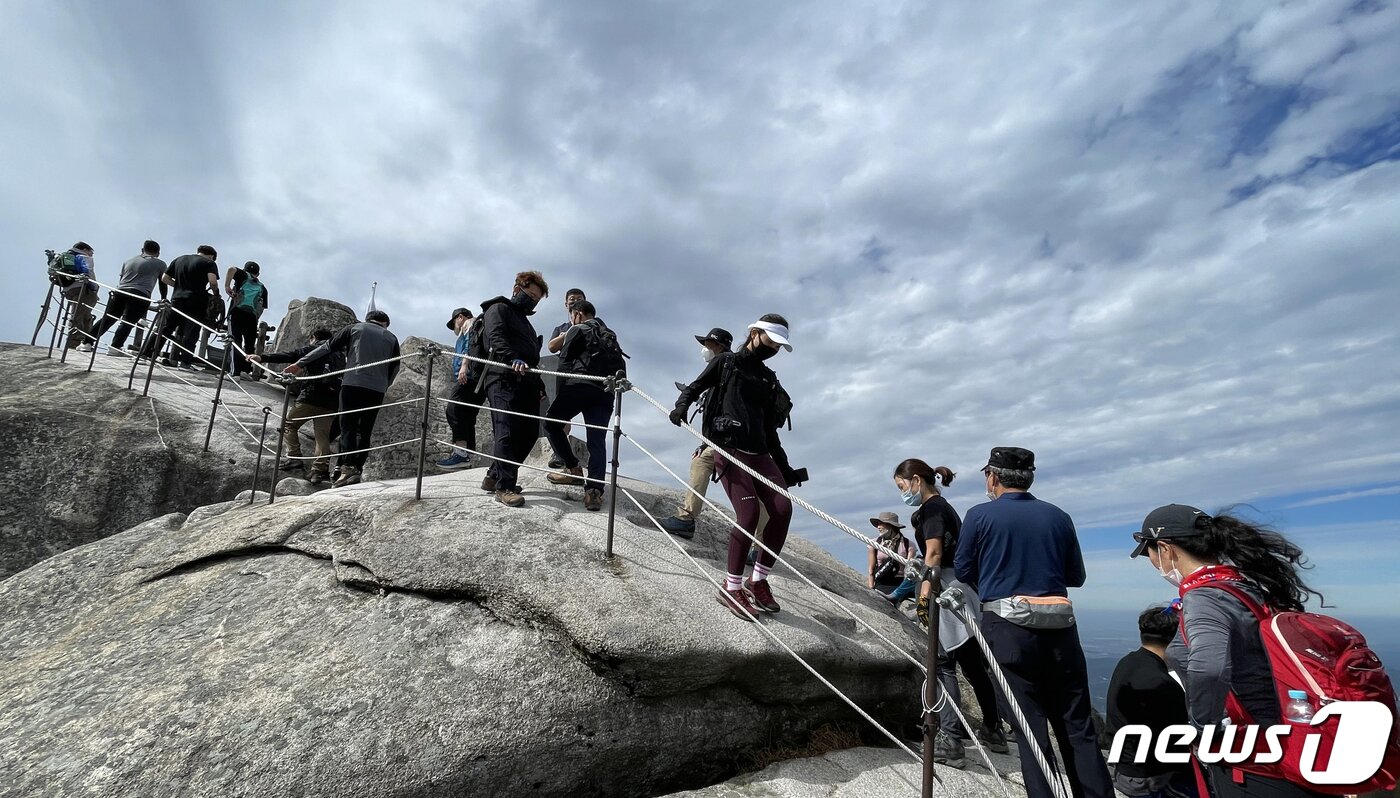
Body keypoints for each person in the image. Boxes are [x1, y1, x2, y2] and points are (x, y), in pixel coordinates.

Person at [1131, 505, 1330, 798]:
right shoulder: (1245, 585)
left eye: (1150, 552)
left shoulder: (1204, 596)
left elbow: (1209, 668)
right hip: (1288, 737)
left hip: (1250, 754)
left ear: (1165, 548)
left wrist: (1201, 730)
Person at [955, 447, 1112, 798]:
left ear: (992, 476)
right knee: (1077, 726)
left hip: (1007, 630)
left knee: (1030, 730)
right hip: (1061, 631)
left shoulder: (979, 516)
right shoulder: (1059, 516)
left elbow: (964, 570)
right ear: (1030, 478)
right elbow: (1077, 576)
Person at [671, 314, 804, 621]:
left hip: (760, 452)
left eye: (779, 346)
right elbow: (694, 387)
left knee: (782, 510)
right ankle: (731, 587)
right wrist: (681, 407)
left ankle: (757, 580)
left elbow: (770, 430)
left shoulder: (768, 379)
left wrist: (784, 468)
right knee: (749, 514)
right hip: (727, 447)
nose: (773, 349)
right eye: (770, 341)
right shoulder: (726, 363)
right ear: (754, 333)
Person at [896, 458, 1008, 767]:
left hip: (945, 588)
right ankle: (993, 730)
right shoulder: (943, 507)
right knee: (972, 664)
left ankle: (950, 740)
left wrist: (923, 595)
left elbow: (934, 552)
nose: (903, 493)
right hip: (964, 589)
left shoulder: (931, 510)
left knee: (942, 663)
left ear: (917, 480)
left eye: (903, 486)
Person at [284, 310, 400, 488]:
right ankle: (356, 469)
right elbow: (395, 367)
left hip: (352, 383)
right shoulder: (392, 338)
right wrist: (384, 385)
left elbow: (325, 347)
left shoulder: (354, 328)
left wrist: (300, 364)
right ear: (385, 323)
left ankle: (345, 468)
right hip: (376, 389)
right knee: (365, 429)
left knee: (348, 426)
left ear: (367, 319)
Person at [659, 327, 743, 539]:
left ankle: (686, 520)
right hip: (728, 440)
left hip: (729, 441)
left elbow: (695, 386)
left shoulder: (723, 360)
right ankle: (758, 542)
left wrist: (681, 407)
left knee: (740, 486)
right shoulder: (732, 368)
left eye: (706, 345)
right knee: (704, 463)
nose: (704, 350)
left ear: (717, 345)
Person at [1106, 603, 1197, 798]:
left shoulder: (1128, 662)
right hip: (1146, 779)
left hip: (1123, 768)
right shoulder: (1163, 684)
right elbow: (1178, 742)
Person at [478, 271, 549, 508]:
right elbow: (495, 337)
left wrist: (539, 384)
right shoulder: (498, 308)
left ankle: (494, 474)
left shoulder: (526, 324)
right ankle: (505, 487)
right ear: (517, 288)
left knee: (529, 432)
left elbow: (534, 359)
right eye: (530, 295)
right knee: (506, 429)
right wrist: (512, 358)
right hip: (502, 377)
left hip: (527, 381)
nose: (532, 301)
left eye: (536, 299)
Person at [542, 300, 620, 512]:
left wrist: (559, 398)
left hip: (579, 386)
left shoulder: (576, 329)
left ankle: (573, 469)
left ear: (577, 315)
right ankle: (594, 491)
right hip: (605, 392)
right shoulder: (609, 334)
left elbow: (564, 364)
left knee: (551, 424)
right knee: (597, 441)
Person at [250, 327, 342, 485]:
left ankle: (294, 457)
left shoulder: (314, 349)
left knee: (288, 425)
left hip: (309, 398)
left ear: (313, 337)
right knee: (322, 436)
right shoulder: (340, 355)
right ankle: (318, 471)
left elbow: (290, 355)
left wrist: (262, 357)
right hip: (331, 402)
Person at [142, 245, 219, 371]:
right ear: (211, 256)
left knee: (165, 328)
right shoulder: (209, 263)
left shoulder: (179, 259)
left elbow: (165, 279)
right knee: (191, 332)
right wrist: (216, 293)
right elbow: (213, 282)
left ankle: (146, 354)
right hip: (197, 301)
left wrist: (178, 286)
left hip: (177, 298)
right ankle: (185, 363)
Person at [92, 240, 166, 354]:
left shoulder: (128, 261)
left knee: (108, 318)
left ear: (142, 250)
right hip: (140, 294)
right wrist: (164, 298)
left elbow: (121, 279)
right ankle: (115, 347)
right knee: (127, 322)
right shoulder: (160, 263)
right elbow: (162, 283)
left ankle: (86, 342)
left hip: (120, 291)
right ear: (158, 253)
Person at [437, 307, 480, 471]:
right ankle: (464, 454)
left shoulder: (470, 323)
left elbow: (470, 345)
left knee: (454, 409)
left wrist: (464, 366)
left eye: (454, 322)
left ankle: (461, 454)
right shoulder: (471, 326)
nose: (454, 327)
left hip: (468, 376)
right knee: (467, 414)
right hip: (473, 376)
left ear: (460, 317)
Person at [226, 261, 269, 379]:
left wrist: (227, 286)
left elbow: (231, 268)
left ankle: (234, 373)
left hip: (236, 313)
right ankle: (245, 371)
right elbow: (263, 307)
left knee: (234, 342)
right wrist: (255, 317)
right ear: (258, 274)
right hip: (251, 317)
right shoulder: (262, 287)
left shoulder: (243, 276)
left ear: (245, 270)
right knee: (249, 345)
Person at [58, 242, 99, 352]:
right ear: (85, 249)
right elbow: (88, 272)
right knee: (81, 315)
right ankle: (77, 342)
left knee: (79, 314)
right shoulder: (83, 257)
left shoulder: (67, 257)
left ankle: (81, 340)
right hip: (83, 288)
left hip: (69, 289)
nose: (91, 255)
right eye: (91, 252)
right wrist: (94, 288)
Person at [866, 511, 917, 599]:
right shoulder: (874, 543)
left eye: (881, 524)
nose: (878, 527)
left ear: (891, 526)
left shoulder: (908, 544)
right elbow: (871, 569)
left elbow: (909, 570)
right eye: (878, 524)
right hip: (882, 582)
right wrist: (871, 588)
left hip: (901, 583)